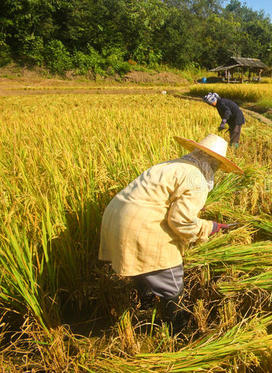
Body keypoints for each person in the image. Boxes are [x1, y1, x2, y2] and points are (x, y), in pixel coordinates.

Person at [98, 134, 242, 329]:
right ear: (214, 163)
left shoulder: (173, 165)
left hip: (116, 217)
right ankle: (174, 326)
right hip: (140, 226)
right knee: (171, 279)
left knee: (143, 266)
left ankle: (145, 305)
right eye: (217, 167)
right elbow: (180, 221)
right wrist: (209, 227)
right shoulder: (197, 178)